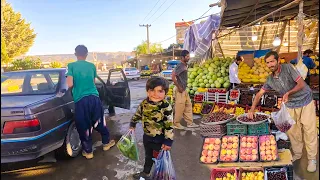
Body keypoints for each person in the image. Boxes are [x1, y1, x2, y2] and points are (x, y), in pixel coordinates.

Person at [248, 51, 317, 173]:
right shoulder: (270, 79)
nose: (270, 65)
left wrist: (288, 93)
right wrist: (252, 109)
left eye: (272, 61)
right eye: (268, 63)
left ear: (278, 60)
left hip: (305, 101)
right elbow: (259, 94)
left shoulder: (288, 68)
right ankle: (297, 153)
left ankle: (312, 159)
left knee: (309, 130)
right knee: (293, 132)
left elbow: (301, 83)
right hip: (290, 105)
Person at [66, 45, 115, 159]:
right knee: (99, 121)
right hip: (94, 97)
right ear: (86, 54)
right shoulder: (92, 66)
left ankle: (88, 152)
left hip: (81, 99)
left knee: (84, 125)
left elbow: (69, 84)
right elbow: (92, 82)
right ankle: (106, 143)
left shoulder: (71, 66)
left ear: (75, 54)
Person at [130, 77, 174, 180]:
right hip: (147, 137)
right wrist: (133, 124)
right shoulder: (144, 103)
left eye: (160, 91)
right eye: (152, 90)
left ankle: (162, 176)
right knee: (148, 156)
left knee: (160, 158)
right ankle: (146, 173)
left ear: (165, 93)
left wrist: (168, 141)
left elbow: (169, 125)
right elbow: (138, 114)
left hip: (160, 139)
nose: (155, 94)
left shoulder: (166, 107)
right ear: (147, 91)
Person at [171, 50, 199, 129]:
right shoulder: (180, 65)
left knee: (188, 105)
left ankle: (190, 123)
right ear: (182, 57)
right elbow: (173, 76)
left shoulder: (184, 65)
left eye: (188, 56)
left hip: (184, 89)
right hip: (180, 89)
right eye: (187, 56)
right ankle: (176, 123)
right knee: (180, 107)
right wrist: (179, 87)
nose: (188, 57)